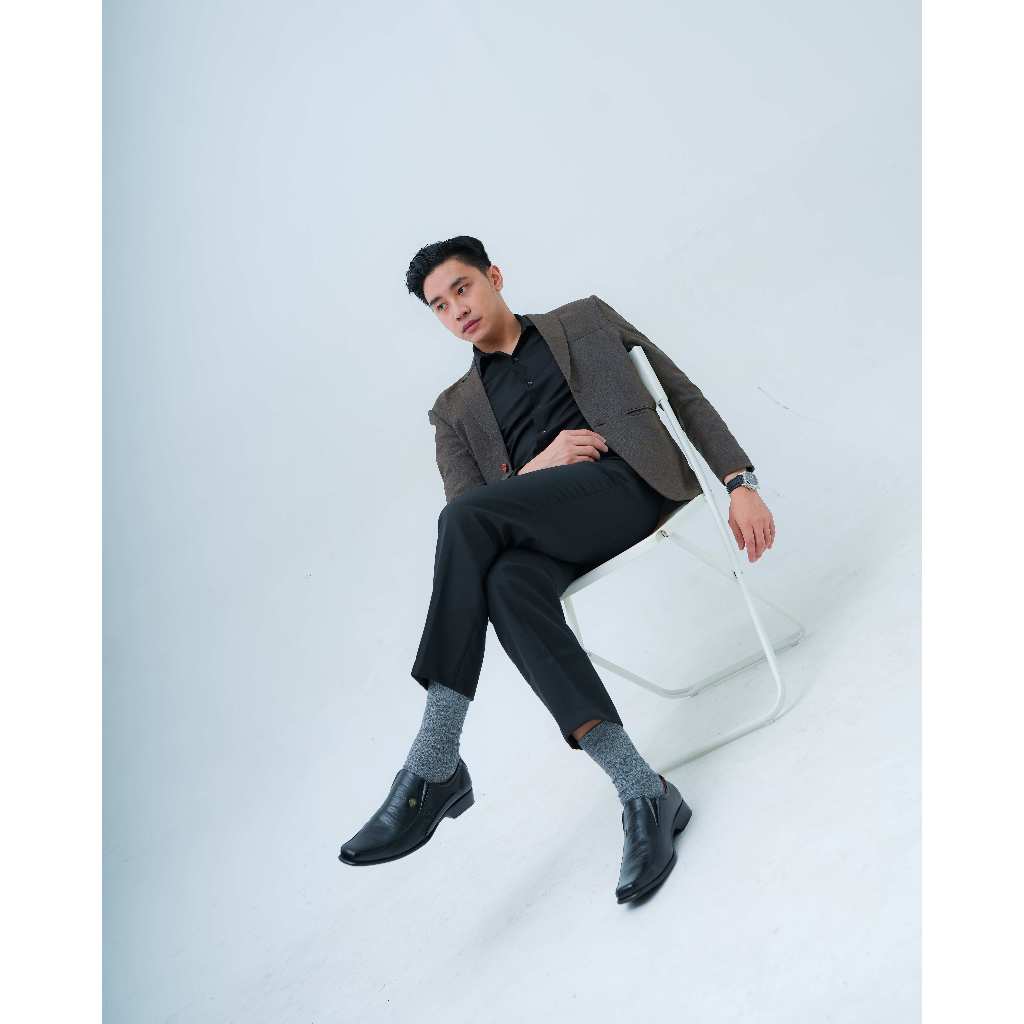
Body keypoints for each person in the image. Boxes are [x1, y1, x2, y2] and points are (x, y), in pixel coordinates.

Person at [338, 235, 776, 904]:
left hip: (629, 488)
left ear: (494, 276)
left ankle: (434, 759)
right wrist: (539, 466)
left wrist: (739, 481)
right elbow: (473, 510)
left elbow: (681, 394)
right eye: (439, 306)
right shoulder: (452, 411)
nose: (456, 309)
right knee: (504, 584)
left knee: (461, 526)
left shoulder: (585, 320)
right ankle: (642, 789)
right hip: (548, 534)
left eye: (461, 288)